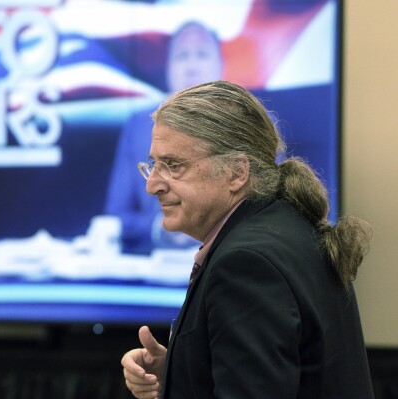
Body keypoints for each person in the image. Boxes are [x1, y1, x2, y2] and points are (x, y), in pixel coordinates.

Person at [120, 80, 374, 398]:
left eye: (173, 166)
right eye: (154, 165)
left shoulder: (246, 265)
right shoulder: (289, 226)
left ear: (237, 173)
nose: (153, 185)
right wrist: (178, 371)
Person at [104, 21, 223, 254]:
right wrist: (161, 228)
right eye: (181, 56)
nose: (191, 65)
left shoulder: (254, 124)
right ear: (168, 68)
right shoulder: (139, 127)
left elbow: (266, 210)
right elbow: (115, 217)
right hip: (157, 263)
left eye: (201, 54)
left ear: (221, 64)